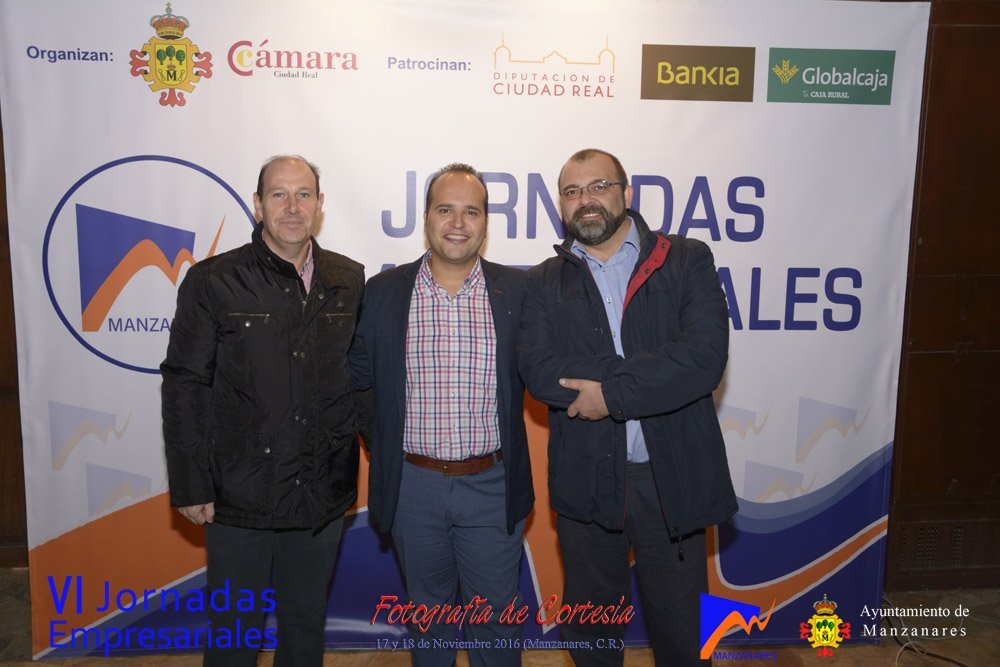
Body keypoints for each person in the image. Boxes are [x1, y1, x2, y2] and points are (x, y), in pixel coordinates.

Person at [517, 149, 738, 666]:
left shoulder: (686, 259)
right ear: (560, 205)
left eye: (598, 186)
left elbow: (703, 358)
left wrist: (610, 394)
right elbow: (540, 371)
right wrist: (647, 373)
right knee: (591, 634)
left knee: (684, 635)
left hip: (670, 478)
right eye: (572, 192)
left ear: (627, 193)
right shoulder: (543, 281)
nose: (586, 200)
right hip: (587, 480)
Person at [162, 155, 364, 666]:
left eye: (303, 195)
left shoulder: (349, 279)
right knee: (234, 634)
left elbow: (358, 378)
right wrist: (191, 484)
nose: (292, 207)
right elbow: (185, 384)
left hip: (319, 493)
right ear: (257, 205)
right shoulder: (214, 280)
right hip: (238, 496)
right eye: (278, 195)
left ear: (320, 204)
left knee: (305, 626)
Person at [350, 163, 533, 666]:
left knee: (497, 621)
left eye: (471, 211)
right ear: (426, 216)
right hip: (413, 488)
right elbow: (360, 380)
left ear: (486, 222)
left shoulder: (519, 293)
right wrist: (384, 445)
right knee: (428, 619)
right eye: (445, 209)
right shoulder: (382, 292)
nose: (457, 222)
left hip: (492, 486)